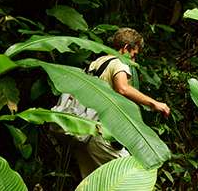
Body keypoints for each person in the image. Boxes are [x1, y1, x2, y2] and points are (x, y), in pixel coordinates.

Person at [73, 27, 170, 178]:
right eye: (133, 54)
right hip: (99, 134)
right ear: (125, 48)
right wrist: (154, 103)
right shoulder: (119, 62)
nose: (133, 60)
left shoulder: (97, 62)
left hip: (82, 132)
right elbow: (123, 88)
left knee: (95, 184)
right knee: (133, 177)